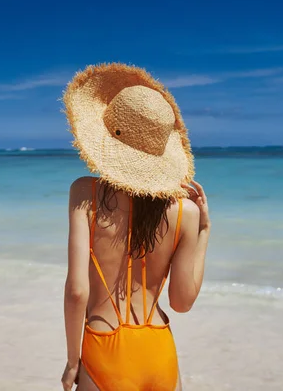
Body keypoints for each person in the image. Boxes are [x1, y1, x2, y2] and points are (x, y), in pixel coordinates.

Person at [61, 63, 211, 391]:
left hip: (104, 344)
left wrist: (74, 362)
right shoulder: (186, 212)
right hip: (159, 352)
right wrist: (204, 233)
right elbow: (182, 302)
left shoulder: (85, 193)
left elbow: (77, 291)